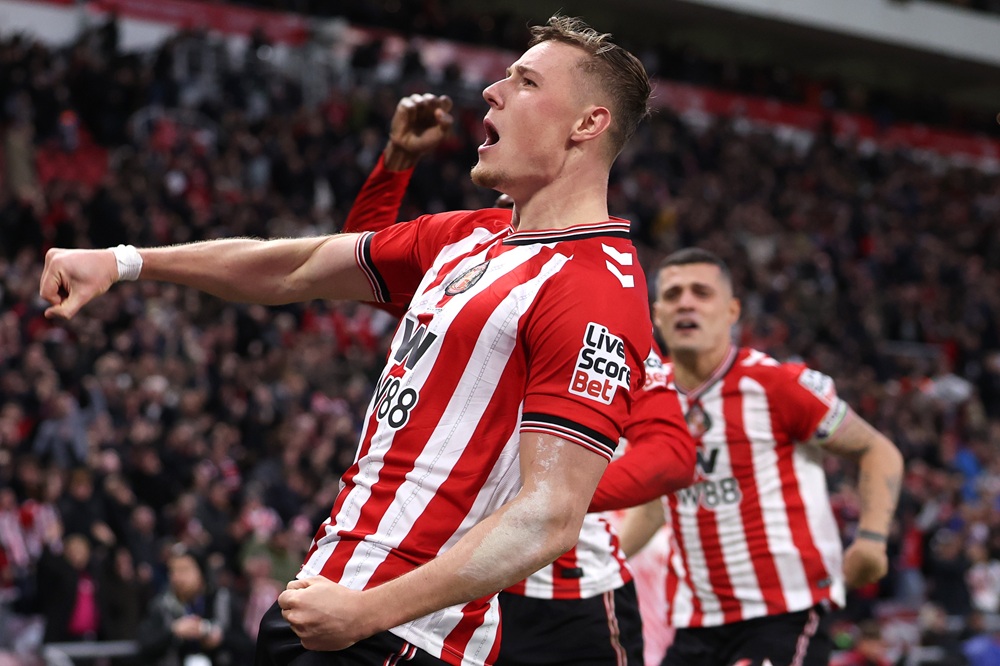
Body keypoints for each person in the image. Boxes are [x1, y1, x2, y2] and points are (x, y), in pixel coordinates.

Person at [40, 15, 655, 666]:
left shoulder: (596, 288)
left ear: (588, 123)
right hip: (325, 598)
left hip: (400, 635)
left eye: (525, 81)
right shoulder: (468, 237)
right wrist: (124, 262)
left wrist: (368, 612)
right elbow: (297, 266)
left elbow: (550, 516)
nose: (491, 92)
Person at [341, 92, 696, 666]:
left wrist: (543, 496)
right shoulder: (472, 283)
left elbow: (674, 455)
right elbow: (360, 263)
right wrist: (397, 164)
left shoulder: (598, 307)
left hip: (568, 598)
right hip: (459, 584)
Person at [613, 248, 904, 666]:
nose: (686, 303)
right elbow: (659, 504)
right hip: (696, 619)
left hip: (784, 612)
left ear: (732, 311)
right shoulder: (651, 399)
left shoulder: (776, 385)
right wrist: (606, 565)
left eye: (701, 292)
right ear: (657, 315)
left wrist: (873, 539)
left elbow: (877, 449)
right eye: (673, 294)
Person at [137, 546, 253, 666]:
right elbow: (145, 646)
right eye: (172, 571)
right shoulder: (161, 605)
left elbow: (247, 646)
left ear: (201, 573)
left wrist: (220, 638)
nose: (177, 577)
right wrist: (173, 633)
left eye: (184, 570)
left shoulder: (222, 600)